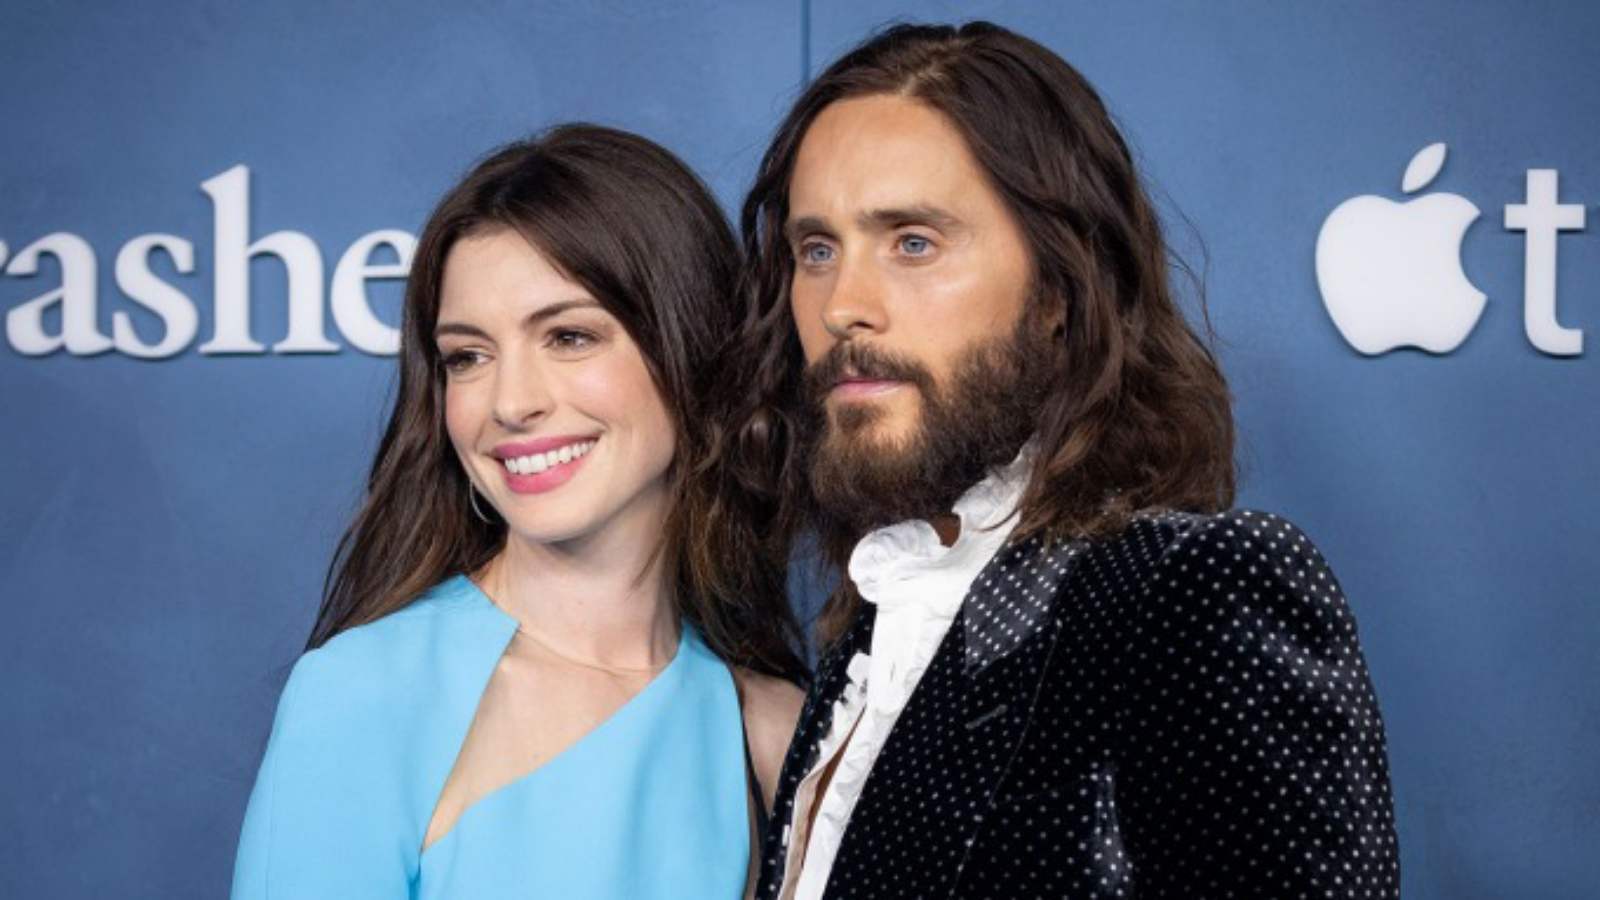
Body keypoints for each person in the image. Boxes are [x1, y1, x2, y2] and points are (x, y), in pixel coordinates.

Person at [731, 22, 1401, 899]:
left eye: (913, 243)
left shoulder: (1199, 592)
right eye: (816, 251)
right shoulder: (875, 633)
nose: (844, 306)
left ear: (1058, 288)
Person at [231, 125, 806, 899]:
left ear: (691, 346)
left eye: (569, 336)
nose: (509, 403)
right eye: (468, 356)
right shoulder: (365, 695)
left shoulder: (773, 732)